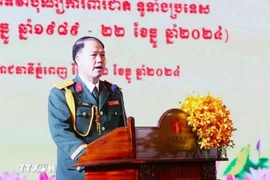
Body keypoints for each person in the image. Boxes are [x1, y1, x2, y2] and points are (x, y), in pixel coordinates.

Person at [48, 36, 127, 180]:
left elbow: (121, 132)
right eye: (94, 55)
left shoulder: (114, 92)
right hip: (78, 171)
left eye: (102, 55)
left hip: (110, 171)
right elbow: (60, 132)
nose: (99, 60)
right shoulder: (62, 93)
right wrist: (88, 156)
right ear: (78, 60)